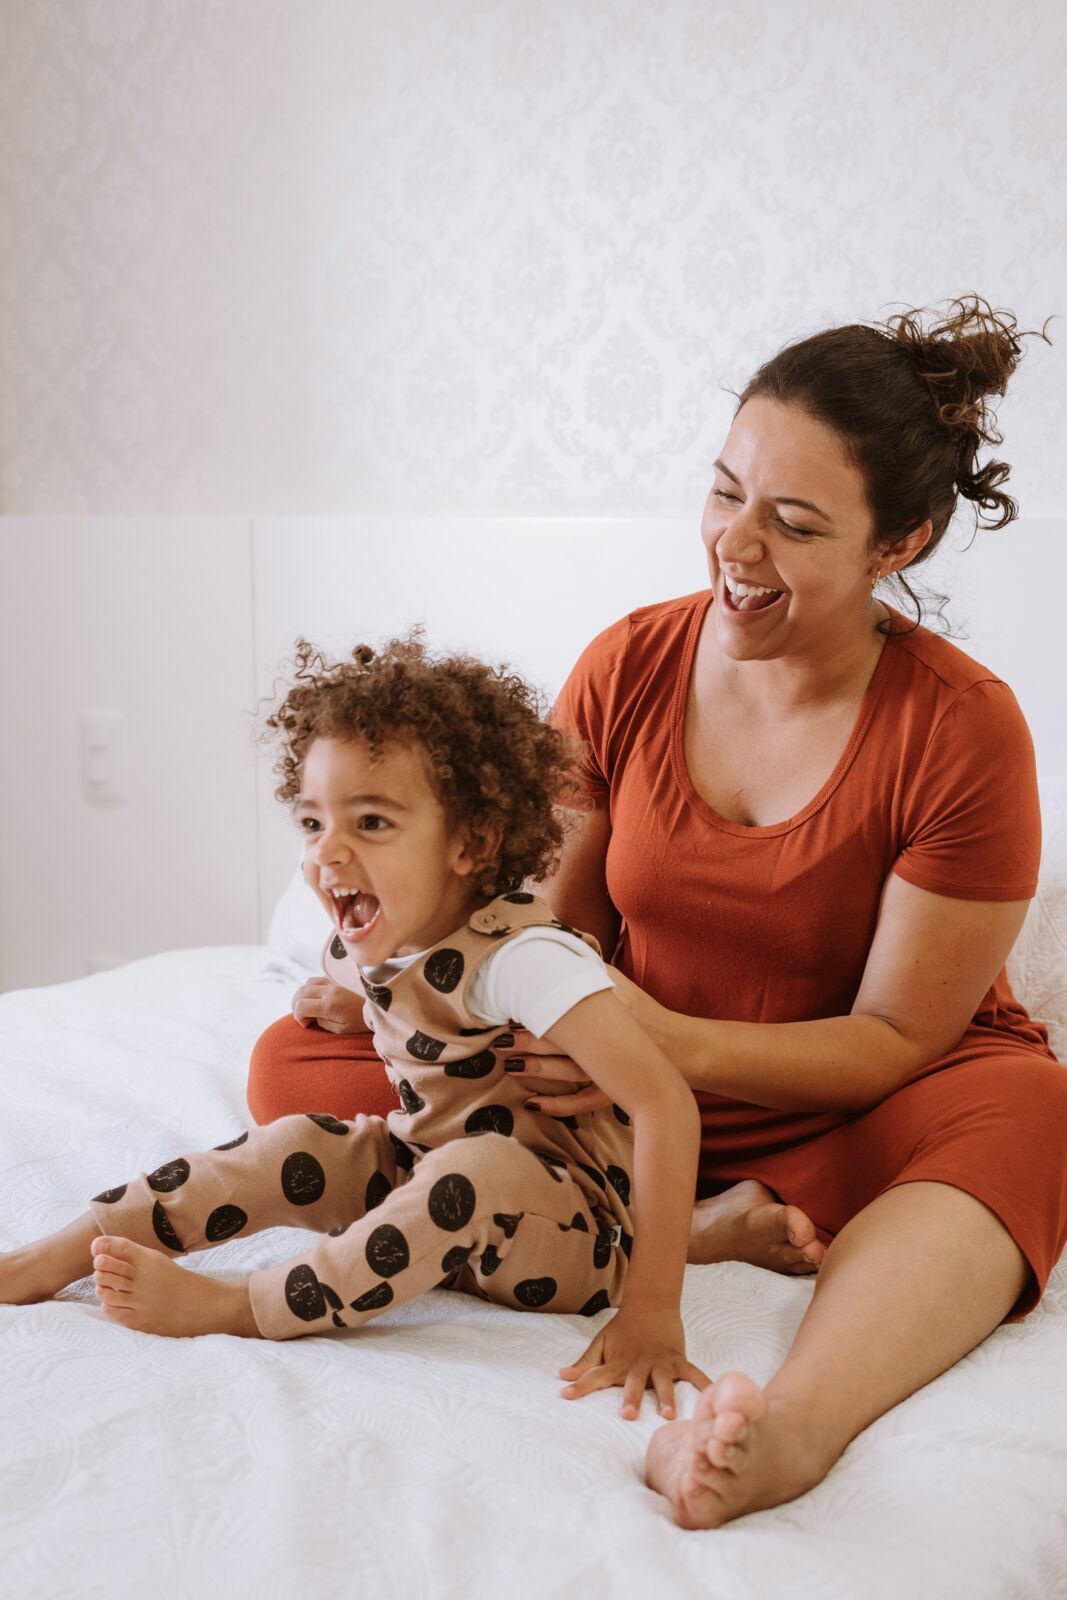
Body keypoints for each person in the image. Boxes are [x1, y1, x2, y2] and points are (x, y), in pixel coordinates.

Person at [244, 295, 1067, 1530]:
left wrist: (665, 1042)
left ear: (894, 542)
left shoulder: (961, 729)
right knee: (292, 1060)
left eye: (792, 522)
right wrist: (427, 983)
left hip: (852, 1100)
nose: (736, 543)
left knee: (1032, 1114)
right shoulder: (628, 662)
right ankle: (695, 1223)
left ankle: (785, 1426)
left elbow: (897, 1034)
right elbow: (536, 920)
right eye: (724, 491)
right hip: (619, 1100)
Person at [0, 637, 708, 1428]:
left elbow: (665, 1105)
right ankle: (48, 1257)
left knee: (475, 1167)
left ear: (468, 843)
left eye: (370, 823)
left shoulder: (525, 960)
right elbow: (360, 980)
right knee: (294, 1142)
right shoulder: (372, 937)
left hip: (568, 1233)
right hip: (427, 1173)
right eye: (311, 821)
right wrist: (351, 1005)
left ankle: (242, 1306)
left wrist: (652, 1310)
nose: (325, 853)